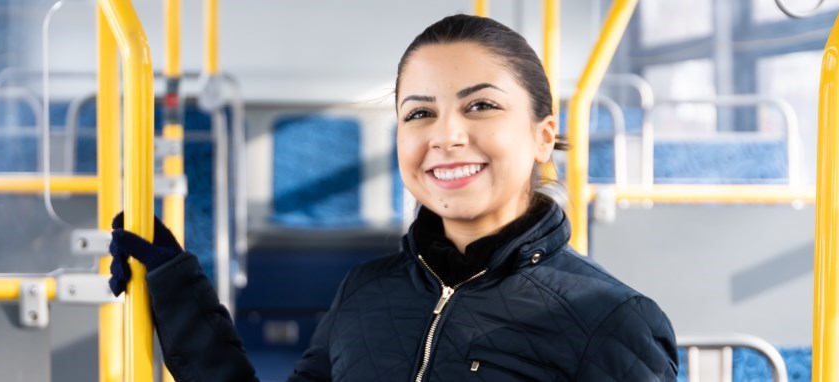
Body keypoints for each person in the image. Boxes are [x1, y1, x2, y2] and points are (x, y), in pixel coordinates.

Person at [109, 14, 679, 382]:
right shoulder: (368, 291)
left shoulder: (609, 320)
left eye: (480, 106)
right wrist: (172, 282)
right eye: (420, 113)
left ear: (542, 135)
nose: (446, 135)